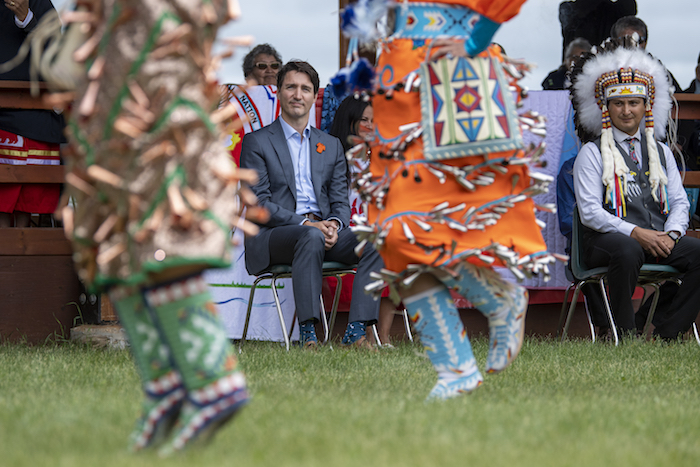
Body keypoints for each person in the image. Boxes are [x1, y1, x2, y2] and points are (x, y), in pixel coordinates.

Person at [52, 0, 253, 454]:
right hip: (113, 82)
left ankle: (214, 377)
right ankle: (164, 386)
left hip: (152, 84)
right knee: (111, 238)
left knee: (156, 227)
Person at [340, 0, 557, 400]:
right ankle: (466, 351)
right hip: (398, 78)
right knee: (395, 235)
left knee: (442, 224)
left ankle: (465, 349)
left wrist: (475, 41)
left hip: (455, 73)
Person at [240, 60, 384, 349]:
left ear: (313, 96)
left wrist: (335, 224)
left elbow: (340, 202)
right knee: (310, 234)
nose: (298, 94)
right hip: (272, 236)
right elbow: (259, 204)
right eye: (290, 87)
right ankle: (308, 334)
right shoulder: (257, 142)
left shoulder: (329, 145)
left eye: (305, 89)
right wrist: (308, 224)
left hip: (321, 231)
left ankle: (355, 332)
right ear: (279, 92)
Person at [570, 42, 700, 341]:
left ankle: (666, 333)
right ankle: (623, 334)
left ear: (646, 107)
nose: (626, 110)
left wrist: (673, 234)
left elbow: (679, 201)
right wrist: (634, 233)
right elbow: (590, 212)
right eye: (618, 103)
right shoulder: (591, 153)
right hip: (606, 242)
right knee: (627, 250)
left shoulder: (661, 152)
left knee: (698, 254)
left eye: (634, 103)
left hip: (657, 235)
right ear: (606, 108)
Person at [329, 95, 398, 346]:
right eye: (363, 120)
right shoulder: (334, 157)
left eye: (373, 120)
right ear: (350, 122)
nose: (370, 126)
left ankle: (381, 335)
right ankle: (363, 334)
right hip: (344, 233)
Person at [0, 0, 65, 227]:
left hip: (36, 118)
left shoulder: (40, 4)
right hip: (7, 118)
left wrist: (27, 18)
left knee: (25, 210)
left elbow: (57, 57)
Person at [609, 15, 681, 92]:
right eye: (626, 39)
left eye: (639, 41)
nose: (633, 44)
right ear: (614, 42)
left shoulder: (659, 69)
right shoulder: (603, 68)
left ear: (645, 43)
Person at [559, 0, 636, 60]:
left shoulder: (615, 10)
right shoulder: (569, 9)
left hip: (608, 71)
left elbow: (629, 10)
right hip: (578, 71)